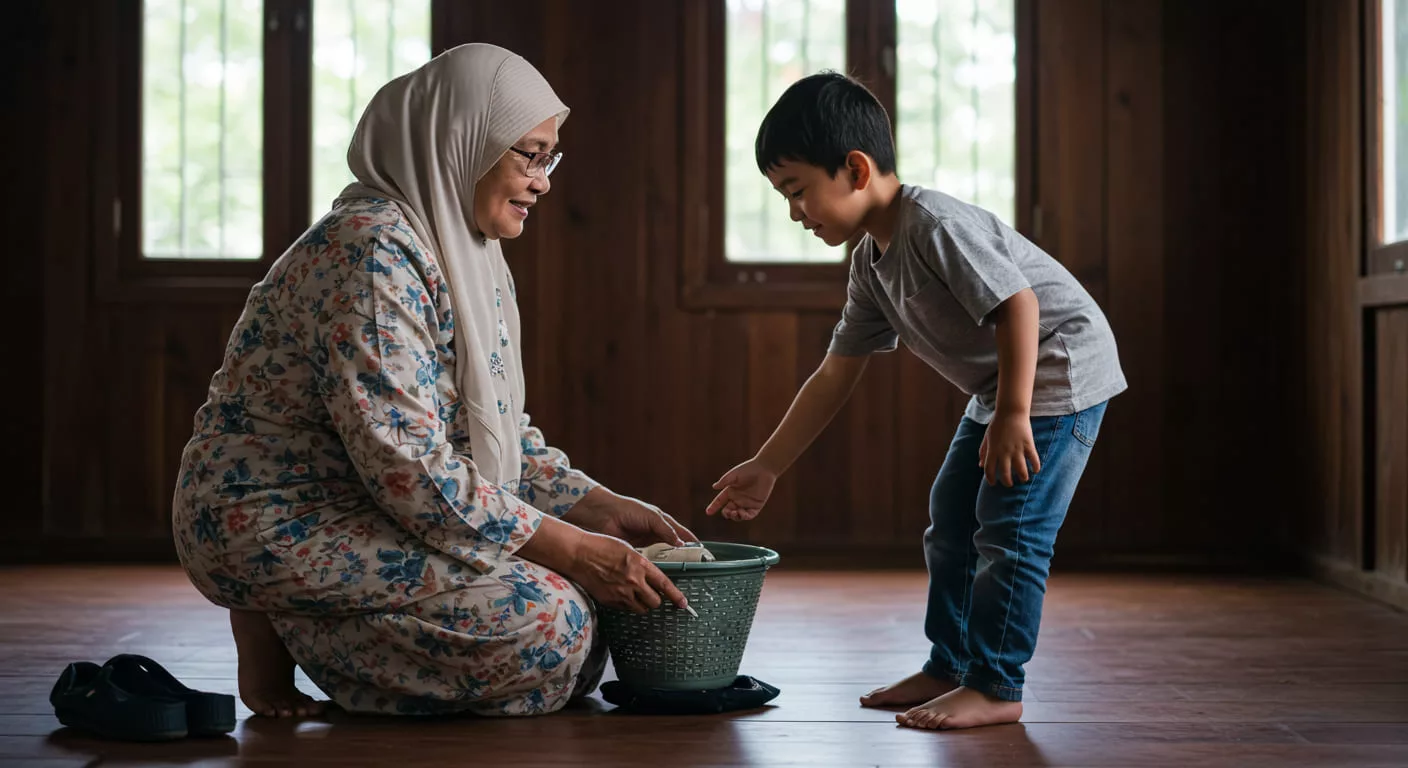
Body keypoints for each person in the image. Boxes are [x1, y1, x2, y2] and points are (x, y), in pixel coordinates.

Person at [172, 43, 696, 719]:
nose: (543, 182)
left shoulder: (458, 249)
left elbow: (483, 431)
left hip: (370, 504)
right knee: (554, 623)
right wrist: (572, 547)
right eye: (529, 156)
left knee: (581, 627)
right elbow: (409, 468)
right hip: (280, 519)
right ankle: (286, 617)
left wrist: (596, 507)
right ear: (459, 144)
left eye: (550, 159)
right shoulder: (372, 253)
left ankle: (307, 624)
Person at [706, 72, 1127, 731]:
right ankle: (949, 664)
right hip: (1002, 388)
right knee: (952, 517)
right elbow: (835, 373)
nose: (795, 213)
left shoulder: (933, 224)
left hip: (1057, 371)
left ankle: (996, 685)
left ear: (855, 169)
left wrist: (1013, 415)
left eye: (797, 191)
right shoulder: (870, 264)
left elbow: (1019, 305)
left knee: (1010, 528)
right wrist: (768, 464)